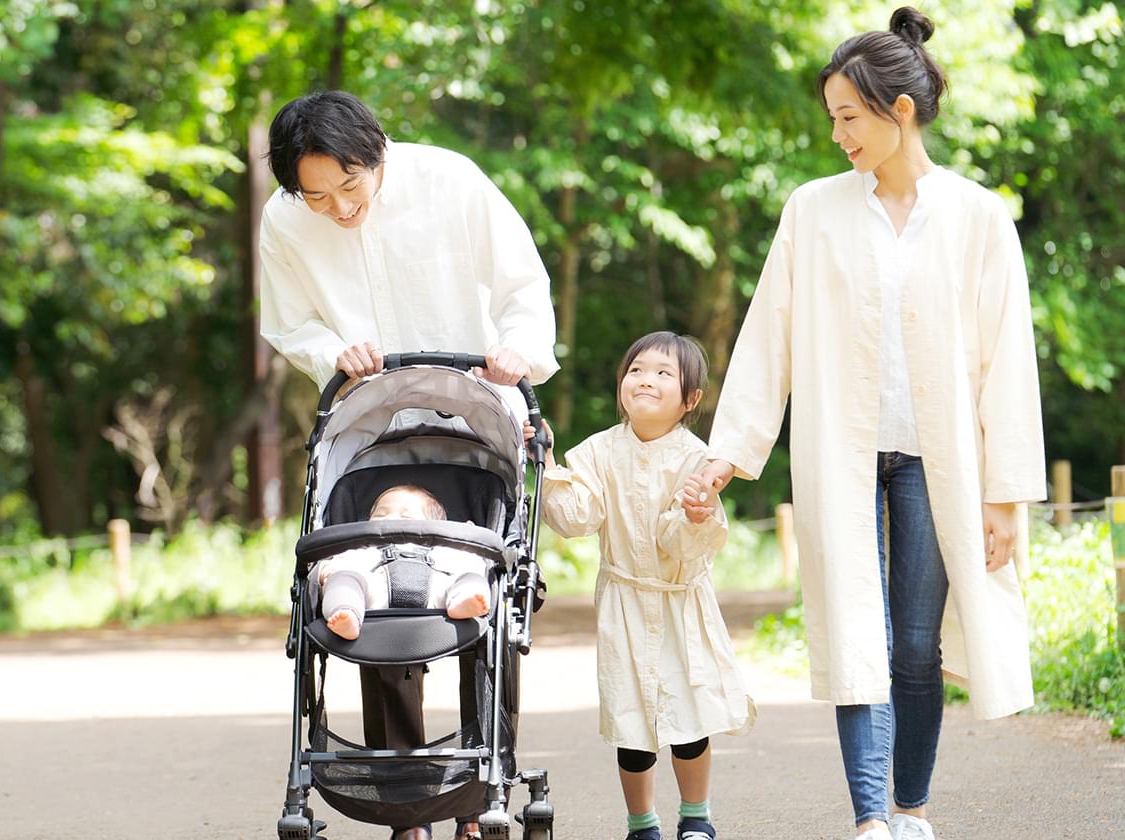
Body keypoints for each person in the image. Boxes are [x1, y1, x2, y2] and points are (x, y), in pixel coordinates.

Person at [694, 9, 1047, 840]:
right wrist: (730, 453)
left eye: (849, 117)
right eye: (831, 120)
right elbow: (768, 334)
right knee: (857, 632)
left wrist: (1007, 496)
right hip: (842, 455)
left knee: (916, 647)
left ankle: (912, 809)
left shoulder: (977, 217)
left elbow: (1008, 362)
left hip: (939, 459)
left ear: (900, 110)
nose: (838, 136)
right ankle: (869, 820)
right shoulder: (813, 211)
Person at [257, 90, 557, 840]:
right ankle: (406, 799)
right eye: (316, 195)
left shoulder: (452, 182)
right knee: (377, 594)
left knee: (485, 597)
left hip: (477, 406)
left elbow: (522, 283)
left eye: (349, 187)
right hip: (370, 424)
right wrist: (333, 354)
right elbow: (290, 322)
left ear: (378, 150)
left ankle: (478, 782)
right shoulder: (284, 222)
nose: (337, 207)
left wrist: (517, 351)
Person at [540, 332, 756, 840]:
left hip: (681, 603)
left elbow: (685, 543)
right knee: (630, 718)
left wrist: (697, 514)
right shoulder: (595, 452)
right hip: (625, 602)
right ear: (621, 385)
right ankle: (642, 823)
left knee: (689, 714)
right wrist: (548, 468)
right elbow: (577, 517)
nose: (646, 379)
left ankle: (697, 816)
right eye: (636, 369)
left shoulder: (700, 459)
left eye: (663, 373)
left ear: (691, 399)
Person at [316, 485, 492, 641]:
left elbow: (469, 561)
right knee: (344, 580)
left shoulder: (442, 548)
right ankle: (347, 612)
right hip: (373, 595)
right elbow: (344, 561)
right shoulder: (364, 546)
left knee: (470, 578)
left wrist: (468, 536)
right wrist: (329, 570)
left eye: (406, 516)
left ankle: (463, 601)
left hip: (438, 593)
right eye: (380, 514)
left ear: (437, 527)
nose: (390, 519)